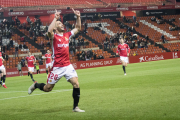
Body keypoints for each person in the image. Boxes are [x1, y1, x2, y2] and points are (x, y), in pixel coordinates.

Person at [28, 9, 85, 112]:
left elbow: (78, 28)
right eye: (59, 23)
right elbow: (49, 31)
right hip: (57, 67)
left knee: (76, 83)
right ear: (55, 27)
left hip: (67, 65)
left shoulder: (67, 35)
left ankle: (75, 107)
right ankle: (35, 85)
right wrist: (55, 18)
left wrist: (78, 17)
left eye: (62, 23)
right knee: (48, 88)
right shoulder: (53, 37)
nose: (62, 24)